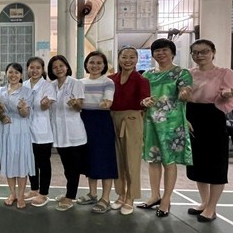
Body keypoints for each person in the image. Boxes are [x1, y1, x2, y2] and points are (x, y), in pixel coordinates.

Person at [140, 38, 193, 218]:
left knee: (169, 161)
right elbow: (142, 97)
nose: (160, 53)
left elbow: (185, 91)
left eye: (164, 50)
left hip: (172, 124)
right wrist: (143, 101)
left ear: (172, 53)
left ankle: (166, 199)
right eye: (157, 51)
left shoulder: (181, 73)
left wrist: (184, 94)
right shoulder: (147, 75)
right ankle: (154, 195)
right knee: (153, 159)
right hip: (150, 122)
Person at [186, 39, 233, 222]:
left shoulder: (225, 72)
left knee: (216, 164)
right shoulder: (188, 73)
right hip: (192, 117)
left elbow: (228, 97)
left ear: (213, 52)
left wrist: (225, 95)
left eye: (204, 51)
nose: (200, 55)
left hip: (213, 117)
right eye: (196, 52)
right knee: (198, 164)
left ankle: (212, 207)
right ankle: (204, 202)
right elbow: (182, 97)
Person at [108, 46, 151, 216]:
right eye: (124, 57)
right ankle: (121, 194)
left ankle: (131, 197)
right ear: (119, 59)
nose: (128, 60)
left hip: (132, 120)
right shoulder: (111, 79)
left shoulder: (141, 80)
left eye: (132, 57)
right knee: (117, 160)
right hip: (113, 119)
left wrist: (145, 102)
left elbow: (144, 99)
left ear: (137, 59)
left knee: (131, 160)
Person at [78, 51, 118, 214]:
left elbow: (108, 101)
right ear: (86, 64)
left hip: (102, 122)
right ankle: (92, 194)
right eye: (92, 62)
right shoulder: (80, 82)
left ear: (104, 65)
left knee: (105, 159)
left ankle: (105, 198)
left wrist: (105, 103)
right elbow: (77, 103)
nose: (95, 66)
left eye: (99, 63)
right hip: (84, 121)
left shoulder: (107, 82)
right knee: (90, 158)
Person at [48, 55, 87, 212]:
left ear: (67, 67)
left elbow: (79, 107)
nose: (58, 69)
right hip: (58, 132)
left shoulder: (76, 83)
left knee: (73, 167)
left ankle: (70, 196)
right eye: (55, 67)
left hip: (73, 132)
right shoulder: (51, 85)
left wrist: (75, 103)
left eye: (61, 65)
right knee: (66, 165)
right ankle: (68, 193)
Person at [0, 63, 35, 209]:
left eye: (17, 73)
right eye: (10, 72)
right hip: (5, 130)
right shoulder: (0, 91)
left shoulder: (27, 92)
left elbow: (26, 114)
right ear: (6, 73)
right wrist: (1, 117)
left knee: (21, 161)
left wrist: (21, 109)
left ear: (21, 75)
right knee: (9, 161)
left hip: (21, 130)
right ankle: (12, 193)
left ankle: (21, 196)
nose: (13, 75)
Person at [22, 57, 54, 207]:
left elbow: (47, 104)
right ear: (27, 68)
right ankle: (34, 189)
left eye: (38, 68)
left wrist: (45, 103)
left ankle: (43, 193)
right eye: (31, 67)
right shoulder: (24, 85)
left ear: (42, 70)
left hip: (42, 131)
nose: (34, 70)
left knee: (43, 163)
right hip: (27, 130)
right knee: (31, 162)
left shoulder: (47, 86)